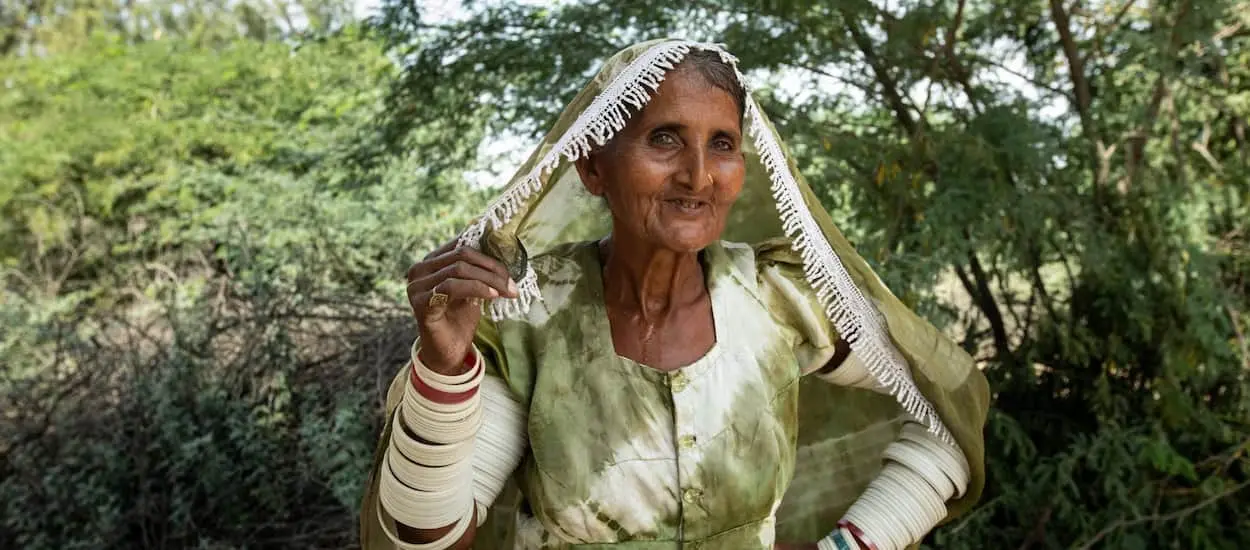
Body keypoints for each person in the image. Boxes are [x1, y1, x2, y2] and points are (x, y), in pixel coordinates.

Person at [360, 38, 989, 550]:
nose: (698, 176)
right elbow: (426, 539)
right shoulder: (528, 317)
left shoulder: (780, 300)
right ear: (592, 166)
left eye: (722, 144)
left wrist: (854, 544)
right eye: (664, 138)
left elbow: (951, 404)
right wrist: (443, 367)